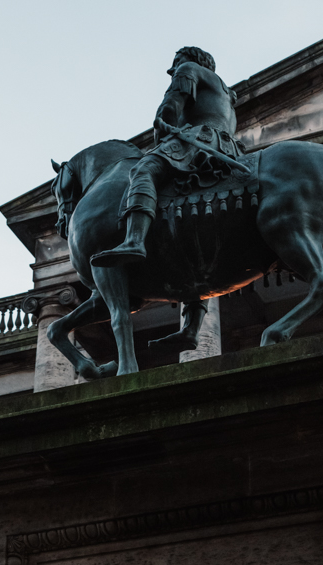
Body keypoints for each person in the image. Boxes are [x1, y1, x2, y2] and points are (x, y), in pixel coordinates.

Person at [91, 44, 249, 352]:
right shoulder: (226, 91)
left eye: (175, 63)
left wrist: (162, 129)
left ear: (188, 60)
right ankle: (190, 328)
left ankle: (134, 240)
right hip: (228, 148)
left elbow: (171, 107)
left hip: (199, 141)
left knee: (144, 169)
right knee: (192, 235)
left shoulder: (187, 71)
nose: (172, 69)